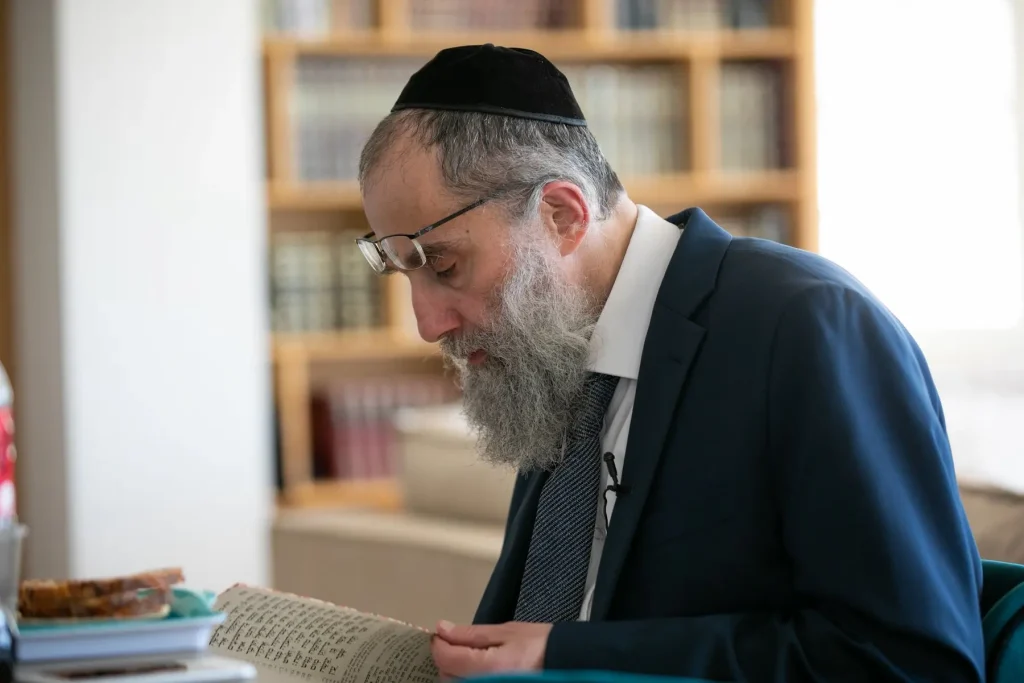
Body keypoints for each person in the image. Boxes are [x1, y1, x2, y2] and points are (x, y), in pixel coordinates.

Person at [354, 44, 986, 683]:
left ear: (562, 215)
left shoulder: (809, 326)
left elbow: (912, 663)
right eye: (406, 274)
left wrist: (572, 659)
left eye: (444, 266)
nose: (427, 324)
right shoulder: (552, 350)